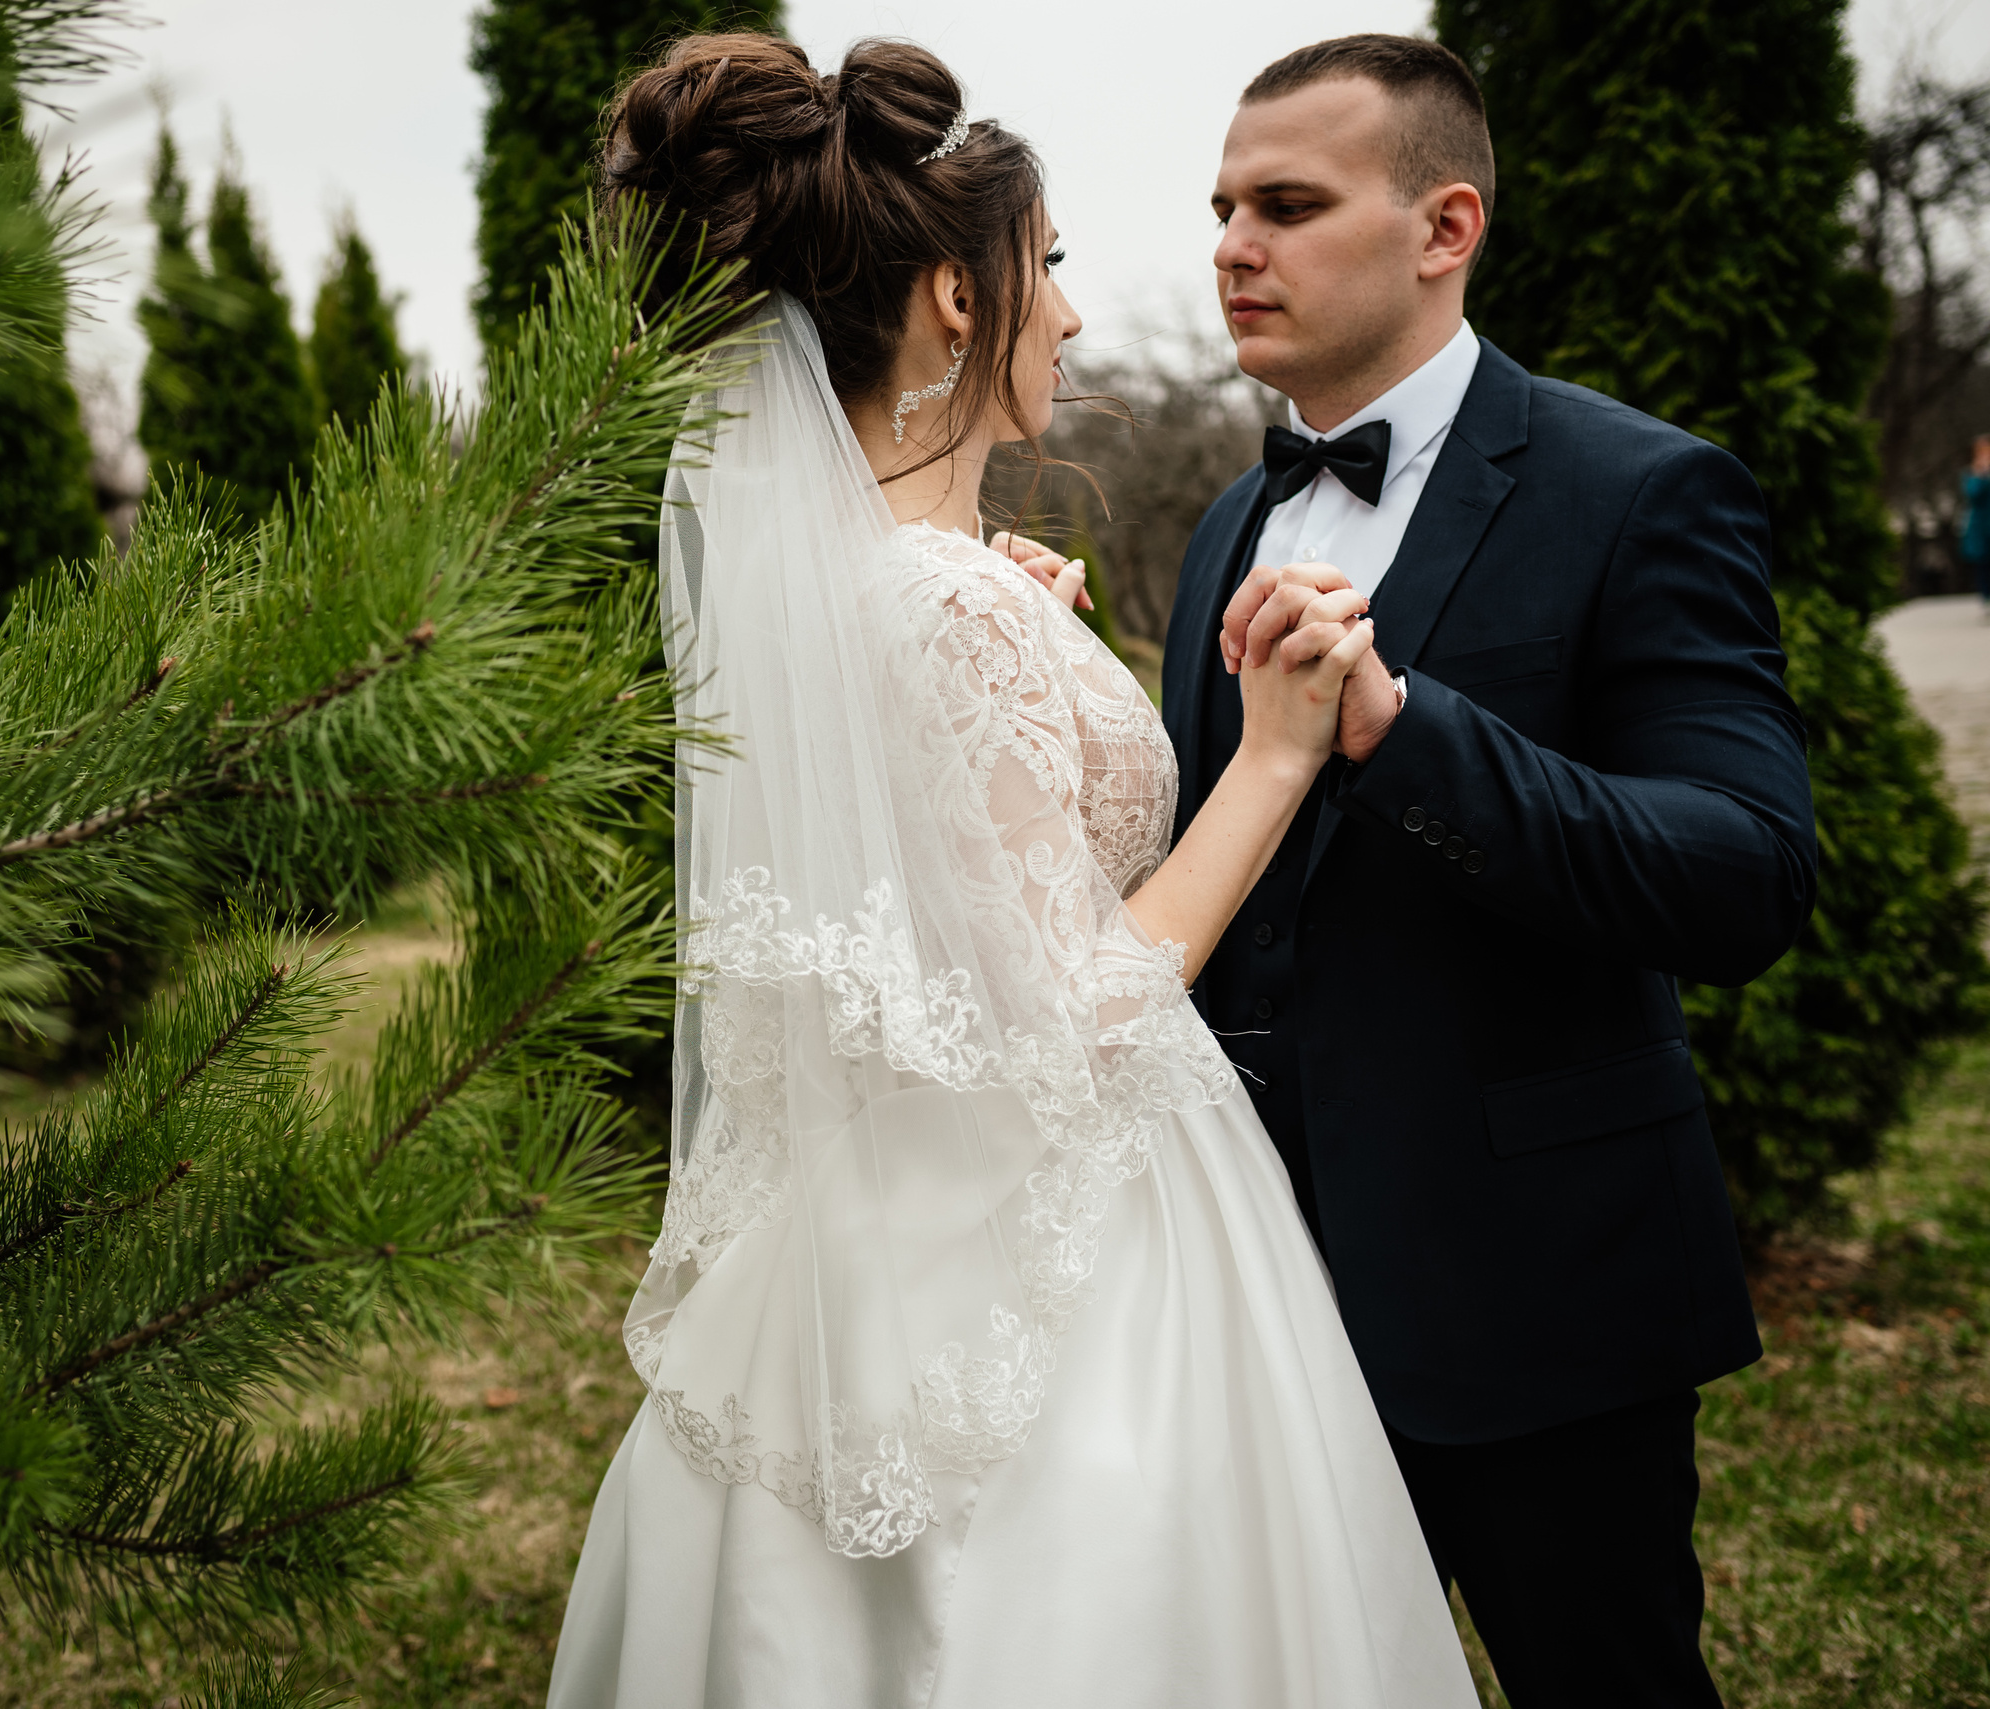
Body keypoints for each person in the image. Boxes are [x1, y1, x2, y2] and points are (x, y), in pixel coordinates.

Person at [547, 32, 1478, 1709]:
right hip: (1080, 1227)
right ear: (956, 303)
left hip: (874, 1216)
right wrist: (1271, 754)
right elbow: (1074, 1012)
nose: (1069, 307)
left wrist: (1018, 635)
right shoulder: (944, 602)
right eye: (1042, 263)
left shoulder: (876, 590)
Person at [1160, 35, 1818, 1708]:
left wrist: (1404, 726)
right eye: (1226, 203)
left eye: (1289, 205)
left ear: (1445, 224)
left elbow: (1743, 872)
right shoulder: (1228, 532)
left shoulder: (1638, 490)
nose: (1233, 242)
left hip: (1539, 1293)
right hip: (1251, 1298)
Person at [1964, 433, 1990, 604]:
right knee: (1984, 565)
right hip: (1982, 527)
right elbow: (1973, 495)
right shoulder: (1973, 473)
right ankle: (1987, 599)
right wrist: (1981, 474)